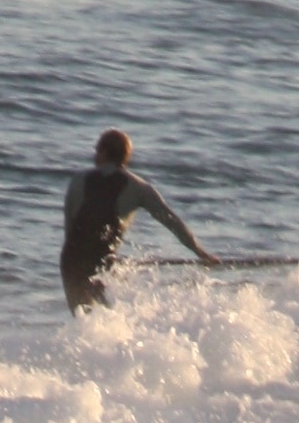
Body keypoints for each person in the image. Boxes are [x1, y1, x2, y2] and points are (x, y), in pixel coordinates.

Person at [60, 128, 214, 311]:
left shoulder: (77, 180)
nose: (95, 155)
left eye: (96, 150)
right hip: (100, 262)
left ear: (103, 152)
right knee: (101, 316)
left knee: (83, 316)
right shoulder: (139, 188)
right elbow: (172, 222)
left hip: (71, 260)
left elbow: (70, 230)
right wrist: (200, 252)